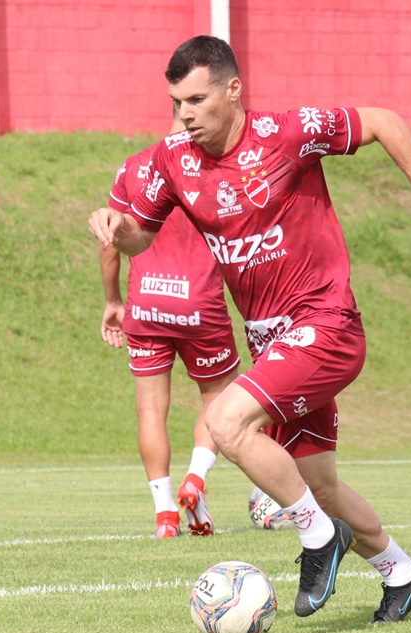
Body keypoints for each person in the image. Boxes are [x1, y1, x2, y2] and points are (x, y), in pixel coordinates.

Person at [89, 36, 411, 623]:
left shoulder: (287, 133)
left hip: (326, 323)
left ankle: (319, 539)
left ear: (233, 89)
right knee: (316, 480)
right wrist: (115, 231)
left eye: (196, 99)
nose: (185, 114)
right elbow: (140, 236)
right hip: (272, 339)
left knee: (225, 422)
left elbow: (383, 121)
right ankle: (403, 576)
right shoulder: (175, 160)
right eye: (176, 102)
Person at [101, 110, 241, 539]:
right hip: (200, 303)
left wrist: (112, 301)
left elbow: (111, 241)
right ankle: (196, 479)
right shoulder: (216, 168)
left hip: (147, 304)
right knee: (219, 402)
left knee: (149, 409)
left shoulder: (135, 165)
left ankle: (164, 515)